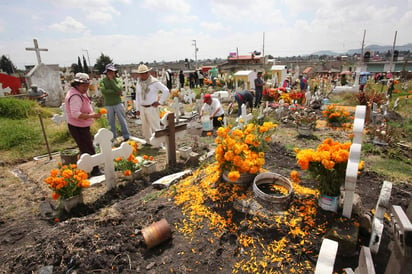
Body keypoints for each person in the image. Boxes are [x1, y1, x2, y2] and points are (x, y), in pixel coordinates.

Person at [64, 73, 102, 177]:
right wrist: (92, 116)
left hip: (81, 125)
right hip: (78, 126)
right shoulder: (75, 96)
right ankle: (94, 170)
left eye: (87, 85)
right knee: (88, 149)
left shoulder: (78, 92)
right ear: (77, 84)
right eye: (83, 85)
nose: (86, 88)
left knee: (85, 147)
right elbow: (75, 114)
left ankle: (86, 168)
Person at [135, 64, 170, 144]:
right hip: (142, 107)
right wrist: (137, 109)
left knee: (155, 126)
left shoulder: (154, 82)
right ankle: (148, 141)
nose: (143, 75)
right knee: (145, 126)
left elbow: (166, 90)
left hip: (152, 107)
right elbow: (137, 96)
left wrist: (160, 102)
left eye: (144, 73)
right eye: (141, 73)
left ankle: (159, 143)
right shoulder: (139, 82)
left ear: (148, 73)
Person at [100, 63, 130, 142]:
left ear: (114, 72)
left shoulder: (118, 80)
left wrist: (112, 81)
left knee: (122, 120)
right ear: (106, 72)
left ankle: (126, 135)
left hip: (118, 103)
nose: (110, 73)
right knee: (110, 122)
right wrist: (115, 92)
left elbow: (119, 89)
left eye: (112, 71)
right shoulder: (102, 81)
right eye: (109, 71)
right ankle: (113, 137)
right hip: (108, 104)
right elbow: (104, 91)